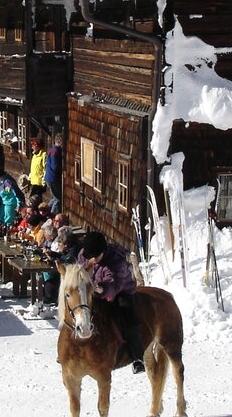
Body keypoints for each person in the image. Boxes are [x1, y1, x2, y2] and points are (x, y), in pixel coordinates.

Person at [78, 231, 146, 374]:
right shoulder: (85, 254)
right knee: (78, 310)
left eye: (96, 257)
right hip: (92, 291)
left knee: (129, 318)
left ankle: (137, 357)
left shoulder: (116, 261)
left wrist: (101, 289)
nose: (93, 260)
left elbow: (114, 285)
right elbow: (78, 270)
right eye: (90, 257)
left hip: (121, 291)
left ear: (103, 252)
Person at [44, 133, 63, 214]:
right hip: (53, 178)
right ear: (60, 142)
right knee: (57, 199)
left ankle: (45, 210)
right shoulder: (55, 151)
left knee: (54, 197)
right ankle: (52, 215)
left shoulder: (51, 149)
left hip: (49, 177)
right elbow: (55, 166)